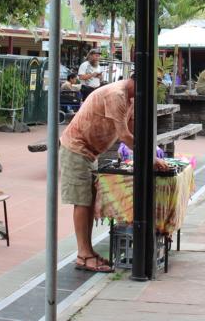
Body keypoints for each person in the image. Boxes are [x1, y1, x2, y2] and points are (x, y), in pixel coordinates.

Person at [58, 78, 167, 272]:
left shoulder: (131, 99)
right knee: (82, 201)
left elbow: (133, 129)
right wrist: (151, 158)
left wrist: (152, 150)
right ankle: (83, 255)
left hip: (91, 151)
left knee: (89, 200)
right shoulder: (117, 95)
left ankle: (87, 251)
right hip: (76, 148)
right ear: (138, 81)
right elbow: (124, 136)